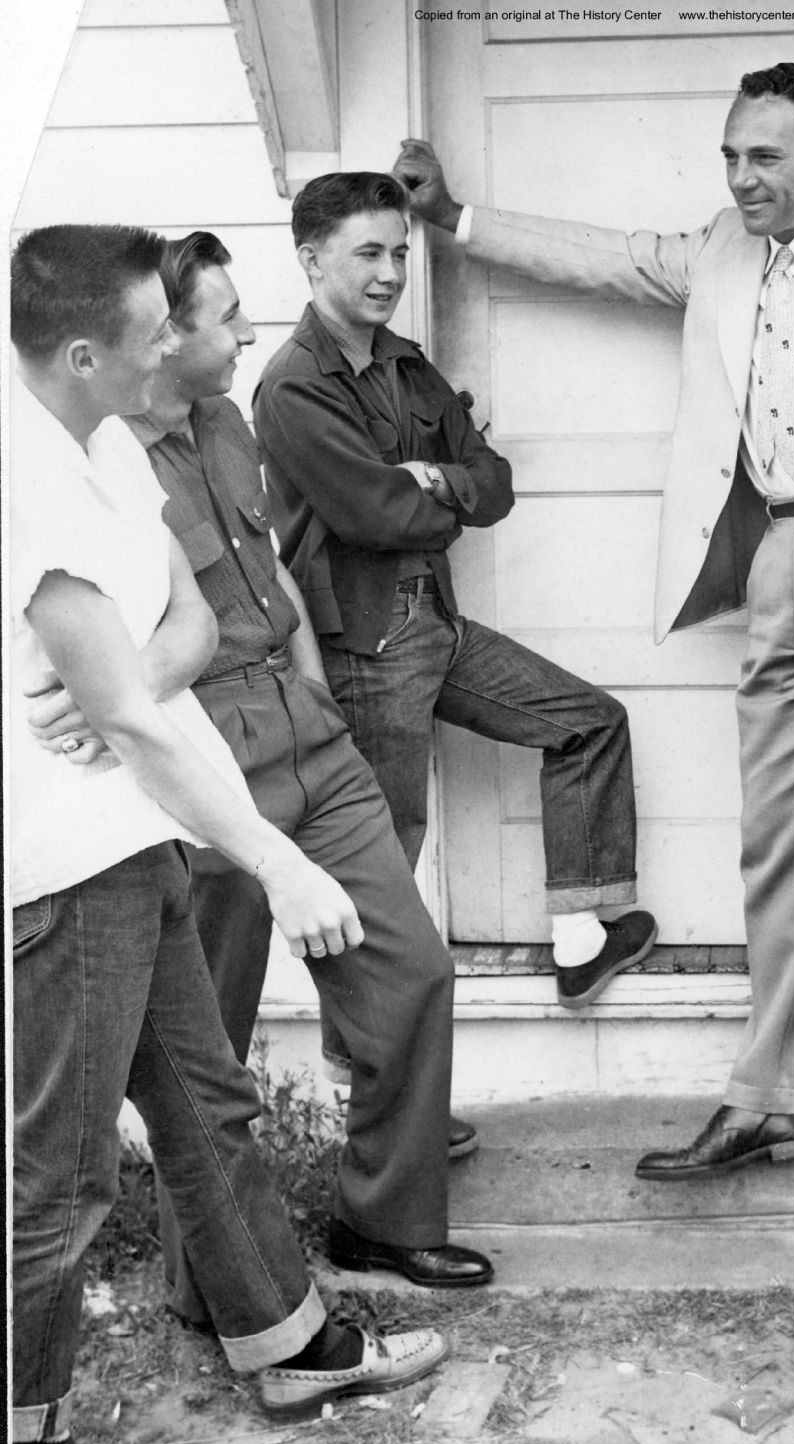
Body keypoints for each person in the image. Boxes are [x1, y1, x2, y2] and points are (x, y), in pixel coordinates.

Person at [394, 61, 794, 1171]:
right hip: (777, 550)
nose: (740, 176)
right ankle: (779, 1090)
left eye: (764, 156)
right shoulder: (722, 248)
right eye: (729, 155)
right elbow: (609, 259)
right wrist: (454, 220)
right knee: (782, 834)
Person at [8, 224, 447, 1444]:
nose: (179, 352)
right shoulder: (28, 478)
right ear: (86, 350)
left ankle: (288, 1338)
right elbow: (133, 713)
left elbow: (180, 631)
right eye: (156, 333)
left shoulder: (101, 453)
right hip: (63, 868)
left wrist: (132, 673)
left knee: (205, 1105)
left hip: (130, 840)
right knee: (62, 1174)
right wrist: (274, 855)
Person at [115, 230, 486, 1295]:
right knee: (209, 1046)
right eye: (226, 319)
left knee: (409, 968)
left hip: (303, 722)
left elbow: (269, 556)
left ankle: (385, 1219)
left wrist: (315, 681)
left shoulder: (227, 419)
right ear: (165, 332)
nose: (248, 334)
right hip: (203, 754)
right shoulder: (98, 462)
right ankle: (215, 1286)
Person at [251, 172, 657, 1010]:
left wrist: (430, 476)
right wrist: (434, 497)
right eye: (369, 252)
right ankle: (364, 1076)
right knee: (382, 861)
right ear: (311, 259)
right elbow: (373, 513)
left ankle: (581, 938)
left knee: (588, 723)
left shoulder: (405, 362)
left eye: (399, 251)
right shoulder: (294, 383)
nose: (391, 272)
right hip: (365, 646)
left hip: (434, 619)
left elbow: (494, 483)